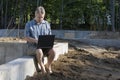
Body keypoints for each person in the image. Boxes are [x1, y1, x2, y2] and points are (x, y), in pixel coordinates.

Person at [24, 6, 55, 75]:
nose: (40, 19)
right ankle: (42, 67)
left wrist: (50, 43)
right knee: (39, 51)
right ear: (35, 14)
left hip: (44, 46)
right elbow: (26, 37)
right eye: (39, 17)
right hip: (32, 47)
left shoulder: (47, 24)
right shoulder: (29, 24)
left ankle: (48, 65)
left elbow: (49, 36)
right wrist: (36, 41)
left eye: (42, 17)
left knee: (53, 52)